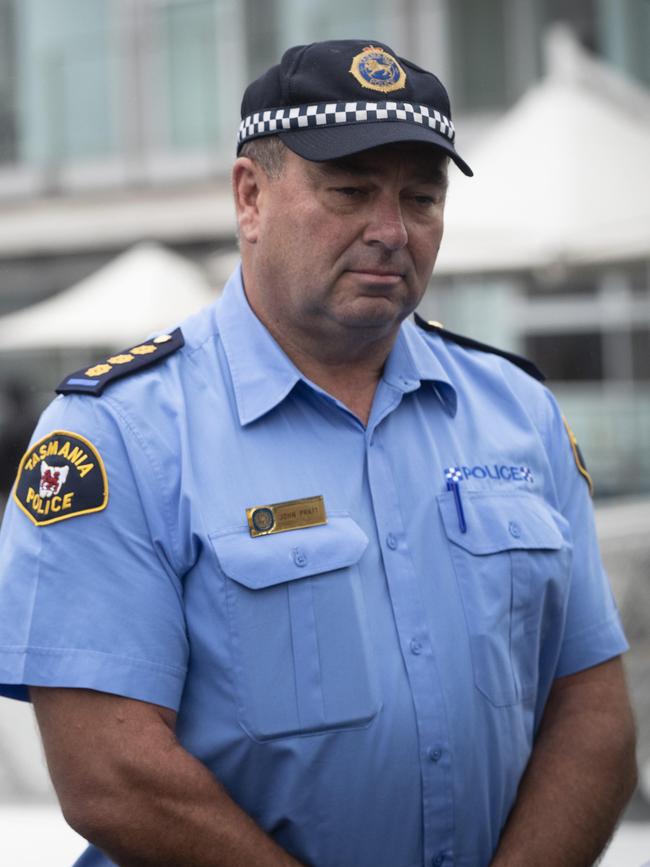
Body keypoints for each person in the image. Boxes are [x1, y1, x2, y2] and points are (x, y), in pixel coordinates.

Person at [0, 39, 637, 867]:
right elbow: (112, 773)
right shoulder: (119, 434)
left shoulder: (517, 412)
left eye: (421, 197)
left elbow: (593, 716)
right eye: (349, 192)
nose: (390, 230)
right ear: (250, 196)